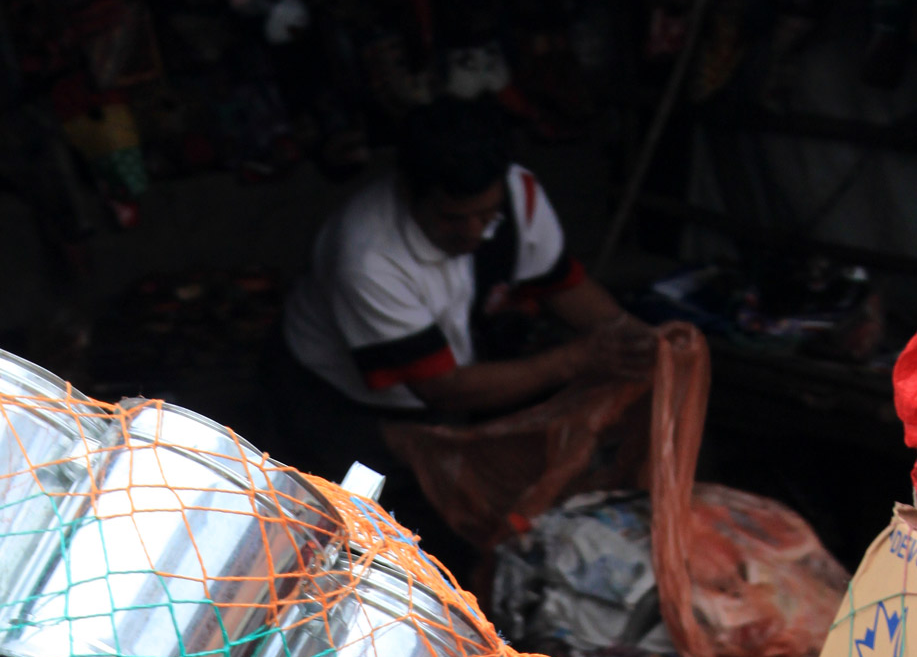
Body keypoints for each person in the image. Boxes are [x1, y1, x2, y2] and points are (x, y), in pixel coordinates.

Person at [266, 95, 655, 493]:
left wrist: (633, 337)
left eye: (487, 215)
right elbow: (442, 387)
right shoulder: (367, 255)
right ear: (409, 192)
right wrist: (575, 360)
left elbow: (560, 283)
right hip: (339, 397)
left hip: (448, 373)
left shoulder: (519, 193)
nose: (473, 232)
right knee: (368, 515)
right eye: (452, 218)